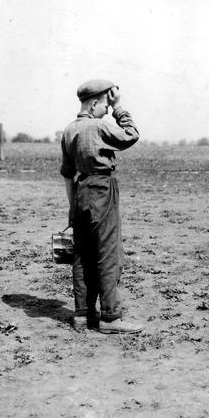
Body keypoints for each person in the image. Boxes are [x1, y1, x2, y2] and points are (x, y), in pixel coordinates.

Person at [60, 79, 143, 334]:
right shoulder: (99, 126)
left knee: (82, 255)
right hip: (102, 190)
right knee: (108, 253)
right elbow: (131, 135)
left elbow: (67, 174)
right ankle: (110, 318)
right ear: (94, 103)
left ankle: (82, 316)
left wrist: (72, 207)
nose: (107, 110)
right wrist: (120, 108)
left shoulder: (69, 130)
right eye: (105, 105)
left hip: (80, 192)